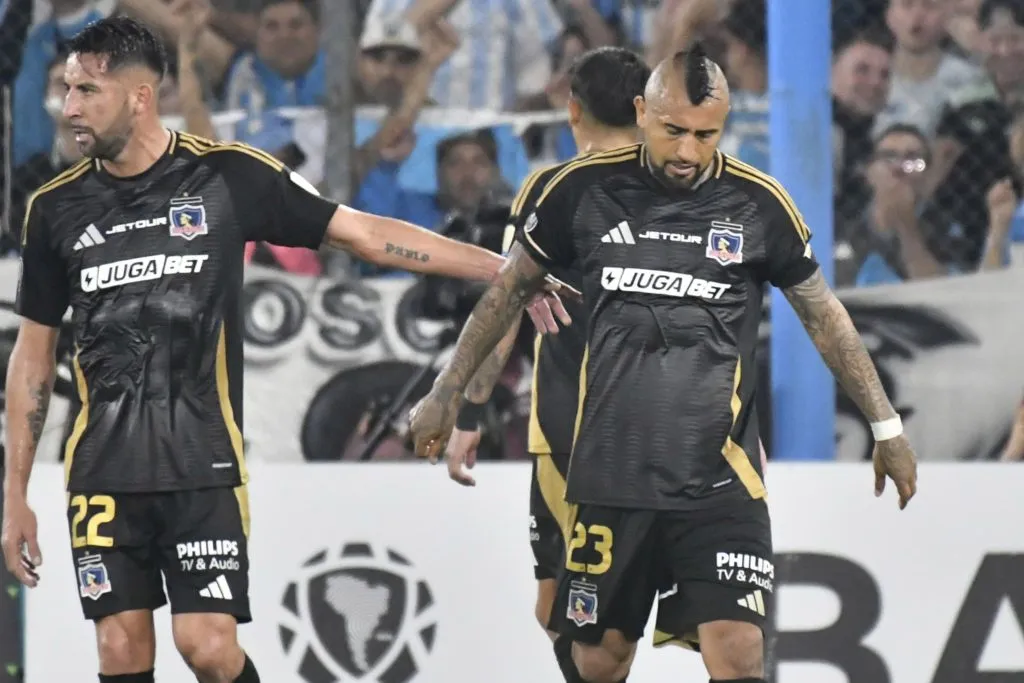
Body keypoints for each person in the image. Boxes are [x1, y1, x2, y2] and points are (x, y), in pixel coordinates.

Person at [0, 16, 570, 683]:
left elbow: (365, 235)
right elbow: (32, 355)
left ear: (138, 97)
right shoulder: (54, 209)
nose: (69, 107)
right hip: (100, 469)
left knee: (207, 647)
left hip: (201, 463)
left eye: (87, 91)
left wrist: (504, 270)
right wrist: (14, 493)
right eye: (67, 89)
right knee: (120, 653)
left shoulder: (226, 177)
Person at [409, 44, 918, 683]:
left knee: (738, 653)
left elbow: (824, 315)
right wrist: (446, 393)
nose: (687, 151)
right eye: (673, 130)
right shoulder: (579, 191)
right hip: (612, 473)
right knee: (598, 660)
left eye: (706, 135)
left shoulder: (759, 204)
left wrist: (886, 427)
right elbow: (507, 291)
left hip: (719, 476)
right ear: (642, 111)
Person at [439, 43, 650, 650]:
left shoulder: (549, 186)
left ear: (572, 110)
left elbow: (507, 304)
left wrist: (470, 414)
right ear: (644, 110)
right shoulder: (683, 185)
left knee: (571, 609)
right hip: (661, 420)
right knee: (569, 607)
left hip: (570, 422)